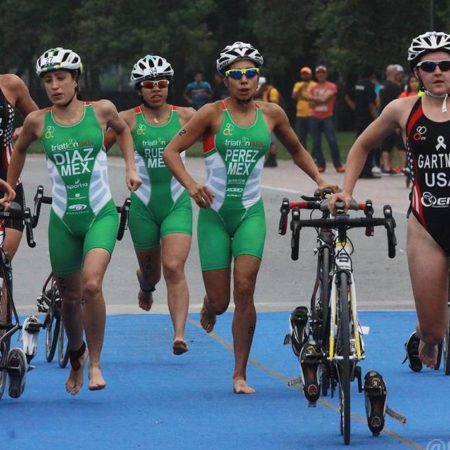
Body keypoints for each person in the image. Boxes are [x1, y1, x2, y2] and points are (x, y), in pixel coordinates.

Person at [163, 41, 339, 394]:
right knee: (220, 301)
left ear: (258, 77)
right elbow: (172, 151)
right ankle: (210, 306)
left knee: (245, 289)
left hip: (249, 214)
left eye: (250, 73)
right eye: (236, 74)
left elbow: (297, 149)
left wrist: (320, 181)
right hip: (214, 215)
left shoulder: (272, 113)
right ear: (225, 79)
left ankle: (239, 374)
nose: (244, 80)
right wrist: (192, 184)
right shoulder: (211, 113)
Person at [7, 47, 141, 395]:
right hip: (63, 222)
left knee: (91, 286)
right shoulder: (38, 121)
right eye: (48, 80)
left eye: (61, 78)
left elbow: (124, 131)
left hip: (99, 214)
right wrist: (10, 185)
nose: (54, 86)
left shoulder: (101, 110)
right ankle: (76, 355)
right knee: (68, 298)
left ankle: (95, 363)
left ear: (75, 80)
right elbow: (18, 148)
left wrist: (129, 167)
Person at [328, 31, 450, 372]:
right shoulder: (402, 109)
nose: (438, 72)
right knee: (434, 329)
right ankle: (422, 335)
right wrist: (347, 191)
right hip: (427, 227)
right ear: (417, 73)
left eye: (445, 65)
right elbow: (361, 146)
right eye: (429, 66)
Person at [106, 55, 195, 355]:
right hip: (143, 205)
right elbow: (93, 148)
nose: (156, 89)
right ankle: (145, 286)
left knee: (173, 266)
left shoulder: (186, 115)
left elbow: (218, 139)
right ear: (139, 88)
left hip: (176, 203)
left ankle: (179, 334)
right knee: (153, 273)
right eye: (149, 84)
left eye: (162, 83)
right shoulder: (127, 119)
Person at [0, 73, 38, 258]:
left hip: (8, 183)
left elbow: (40, 123)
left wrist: (25, 128)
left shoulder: (10, 84)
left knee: (3, 260)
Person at [307, 65, 345, 173]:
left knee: (332, 140)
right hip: (314, 116)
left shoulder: (331, 86)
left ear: (326, 74)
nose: (321, 75)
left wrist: (313, 99)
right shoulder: (313, 88)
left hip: (328, 116)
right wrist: (318, 100)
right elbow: (310, 105)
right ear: (316, 75)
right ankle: (321, 164)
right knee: (316, 142)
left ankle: (338, 164)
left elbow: (324, 99)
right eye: (319, 73)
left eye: (323, 73)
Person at [344, 66, 380, 179]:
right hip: (368, 119)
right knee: (368, 145)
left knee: (359, 144)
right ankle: (367, 171)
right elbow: (371, 104)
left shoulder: (358, 84)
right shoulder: (369, 85)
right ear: (372, 75)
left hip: (358, 118)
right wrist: (377, 119)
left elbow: (347, 96)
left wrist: (355, 107)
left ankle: (358, 171)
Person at [378, 64, 404, 174]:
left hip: (383, 116)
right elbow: (400, 101)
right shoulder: (395, 86)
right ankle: (404, 166)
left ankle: (386, 166)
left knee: (385, 143)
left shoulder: (381, 86)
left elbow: (378, 101)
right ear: (394, 74)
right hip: (394, 117)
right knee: (399, 143)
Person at [256, 76, 282, 167]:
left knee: (273, 140)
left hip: (272, 118)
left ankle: (272, 159)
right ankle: (268, 158)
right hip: (265, 118)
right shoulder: (264, 92)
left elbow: (274, 106)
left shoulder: (272, 91)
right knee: (268, 139)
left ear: (264, 85)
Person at [291, 66, 316, 149]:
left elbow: (315, 97)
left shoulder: (314, 85)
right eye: (303, 74)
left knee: (315, 137)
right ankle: (303, 155)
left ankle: (315, 155)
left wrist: (304, 97)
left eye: (307, 74)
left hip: (312, 114)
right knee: (301, 137)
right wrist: (301, 88)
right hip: (300, 114)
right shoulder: (298, 85)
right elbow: (294, 96)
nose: (305, 76)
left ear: (310, 75)